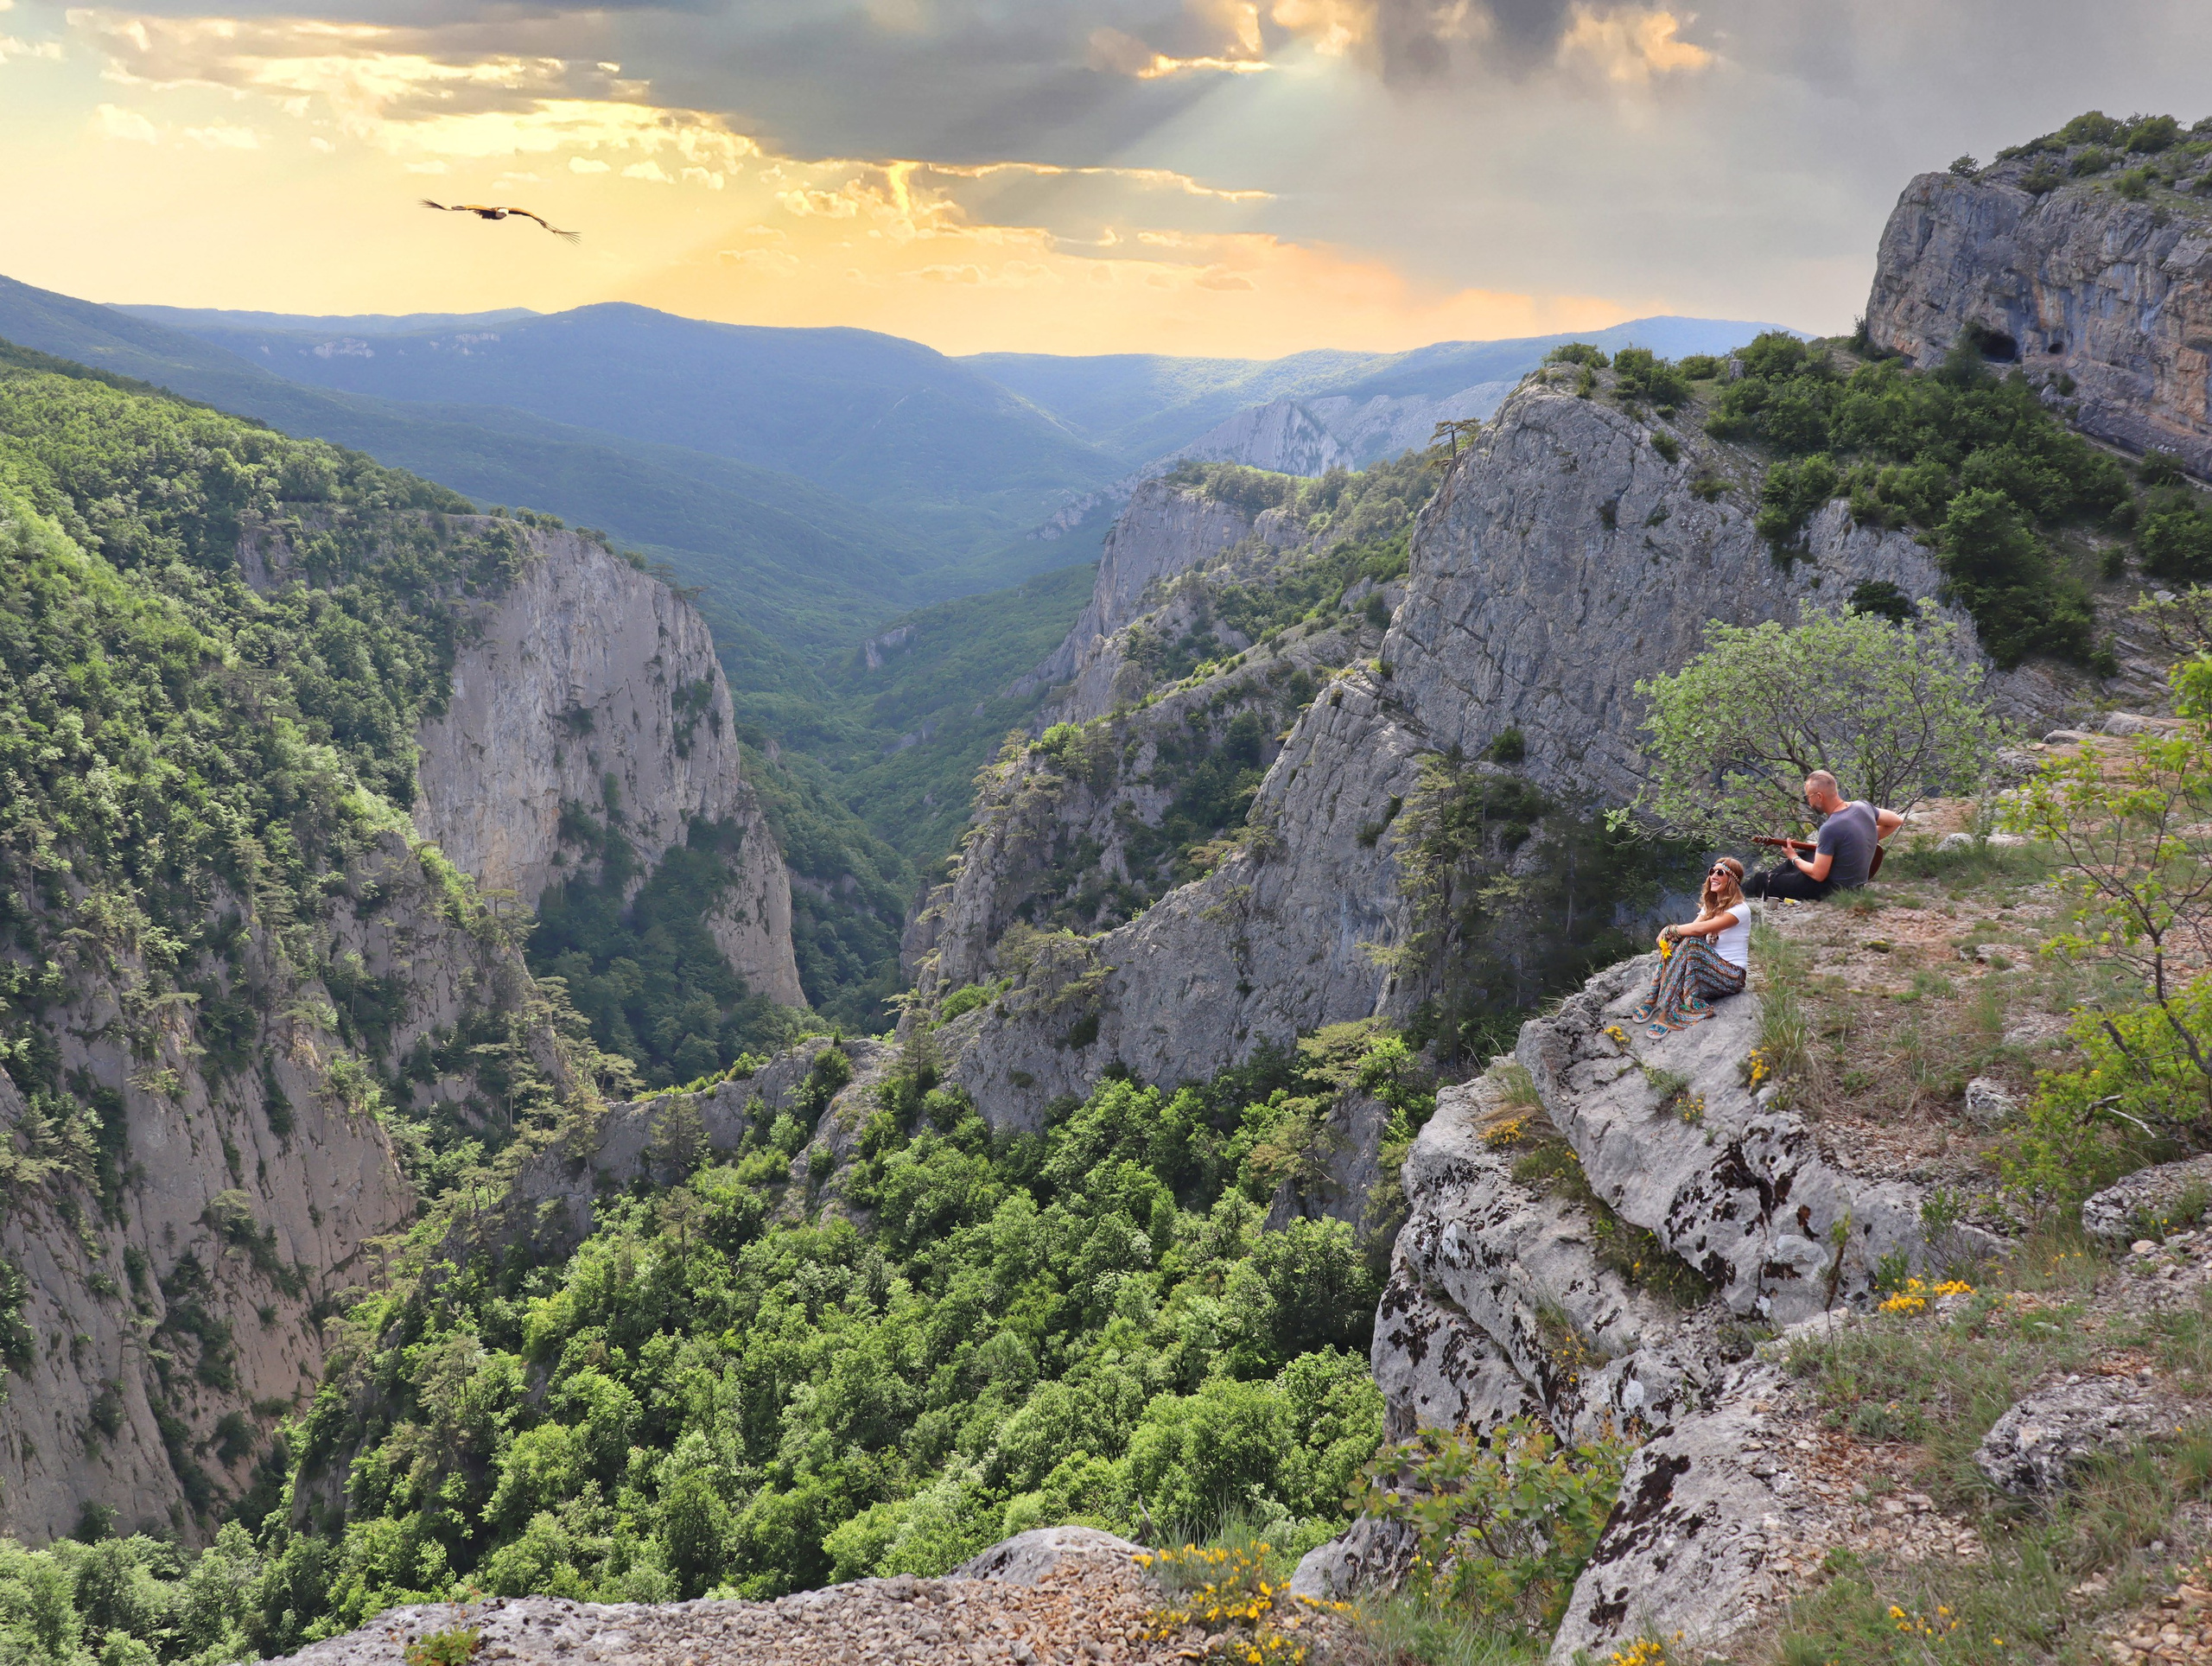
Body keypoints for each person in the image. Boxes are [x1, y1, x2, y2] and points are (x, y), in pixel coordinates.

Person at [1630, 855, 1751, 1039]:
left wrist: (1670, 929)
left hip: (1731, 976)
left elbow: (1699, 930)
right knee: (1679, 942)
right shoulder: (1711, 907)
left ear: (1732, 880)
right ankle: (1654, 997)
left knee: (1691, 942)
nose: (1714, 876)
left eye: (1720, 873)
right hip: (1707, 971)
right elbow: (1691, 930)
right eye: (1712, 872)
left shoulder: (1740, 910)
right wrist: (1672, 938)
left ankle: (1670, 1012)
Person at [1742, 771, 1904, 902]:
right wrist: (1865, 840)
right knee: (1806, 855)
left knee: (1761, 879)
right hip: (1857, 885)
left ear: (1819, 796)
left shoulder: (1830, 827)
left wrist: (1792, 857)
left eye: (1808, 797)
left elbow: (1819, 875)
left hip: (1832, 890)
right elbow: (1896, 820)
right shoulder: (1863, 807)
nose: (1808, 802)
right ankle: (1777, 878)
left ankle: (1738, 900)